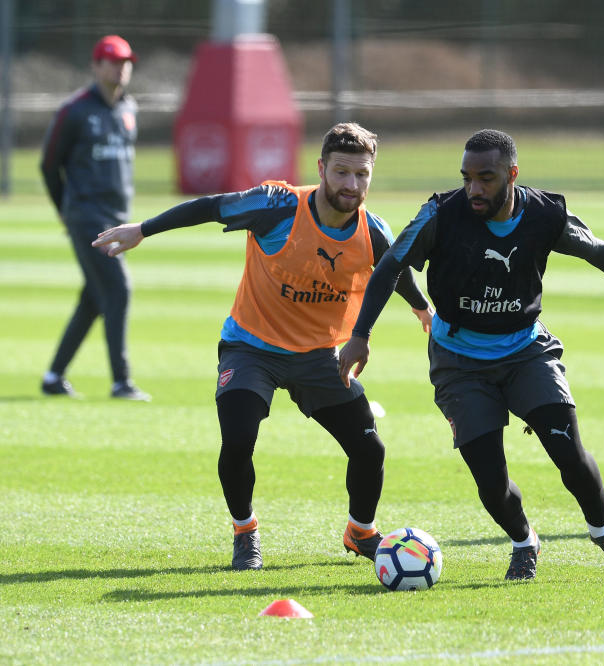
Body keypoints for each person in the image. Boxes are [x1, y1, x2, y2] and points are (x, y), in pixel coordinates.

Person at [338, 129, 604, 582]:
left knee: (567, 448)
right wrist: (361, 334)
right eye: (467, 178)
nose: (474, 189)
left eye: (485, 178)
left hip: (527, 349)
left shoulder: (542, 214)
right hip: (458, 360)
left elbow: (596, 250)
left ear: (512, 174)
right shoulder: (440, 215)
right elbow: (390, 264)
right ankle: (524, 541)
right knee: (490, 478)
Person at [92, 123, 434, 570]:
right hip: (251, 348)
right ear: (321, 168)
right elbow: (212, 207)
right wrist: (144, 229)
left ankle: (361, 532)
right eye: (342, 172)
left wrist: (422, 309)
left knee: (370, 449)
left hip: (318, 357)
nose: (352, 185)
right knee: (238, 439)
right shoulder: (278, 206)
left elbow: (392, 269)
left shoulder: (373, 231)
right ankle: (245, 531)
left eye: (362, 175)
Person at [39, 35, 149, 401]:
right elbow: (49, 164)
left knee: (94, 298)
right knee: (118, 290)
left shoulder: (128, 108)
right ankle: (122, 382)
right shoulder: (75, 111)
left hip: (116, 218)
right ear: (96, 65)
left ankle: (54, 376)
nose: (121, 69)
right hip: (86, 215)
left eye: (126, 62)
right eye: (113, 61)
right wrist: (67, 212)